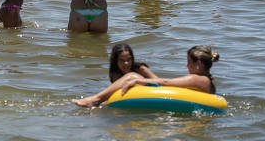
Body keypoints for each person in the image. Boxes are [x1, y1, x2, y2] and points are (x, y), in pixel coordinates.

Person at [73, 45, 219, 107]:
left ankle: (95, 99)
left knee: (131, 76)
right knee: (132, 77)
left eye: (189, 63)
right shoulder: (206, 80)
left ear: (198, 63)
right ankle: (98, 100)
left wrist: (138, 80)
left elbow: (166, 82)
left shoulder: (199, 79)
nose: (186, 66)